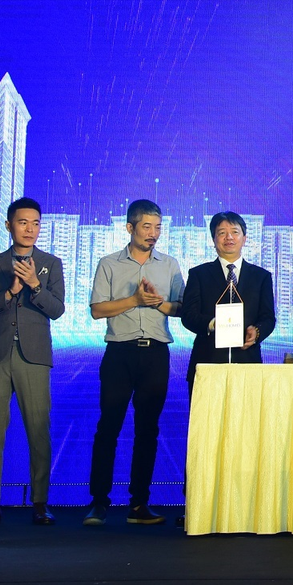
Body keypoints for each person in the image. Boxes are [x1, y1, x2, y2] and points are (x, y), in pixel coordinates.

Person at [83, 199, 183, 527]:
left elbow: (182, 308)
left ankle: (139, 503)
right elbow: (97, 310)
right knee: (108, 427)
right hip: (119, 353)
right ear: (130, 227)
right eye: (146, 227)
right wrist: (134, 300)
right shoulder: (109, 264)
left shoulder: (169, 265)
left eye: (158, 227)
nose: (153, 233)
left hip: (155, 353)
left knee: (147, 430)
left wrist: (158, 303)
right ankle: (99, 502)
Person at [0, 197, 65, 526]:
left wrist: (35, 285)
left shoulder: (51, 263)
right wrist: (9, 293)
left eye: (35, 223)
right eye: (23, 223)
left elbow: (57, 309)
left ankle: (40, 502)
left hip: (34, 355)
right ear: (9, 225)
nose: (30, 229)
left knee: (38, 429)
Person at [181, 211, 276, 390]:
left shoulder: (261, 277)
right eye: (222, 233)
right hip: (207, 362)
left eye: (234, 232)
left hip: (247, 362)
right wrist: (213, 324)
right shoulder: (198, 274)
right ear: (213, 239)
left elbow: (268, 317)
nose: (229, 237)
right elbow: (188, 315)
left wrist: (257, 332)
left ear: (244, 238)